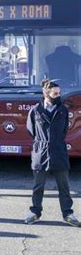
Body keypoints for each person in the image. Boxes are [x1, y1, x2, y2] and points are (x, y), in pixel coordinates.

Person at [24, 79, 79, 227]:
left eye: (59, 93)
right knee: (38, 186)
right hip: (40, 152)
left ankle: (68, 214)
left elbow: (64, 131)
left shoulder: (63, 110)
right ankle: (35, 212)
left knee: (64, 187)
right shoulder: (35, 110)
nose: (58, 95)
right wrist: (43, 142)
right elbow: (31, 131)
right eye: (55, 93)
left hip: (59, 151)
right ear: (46, 94)